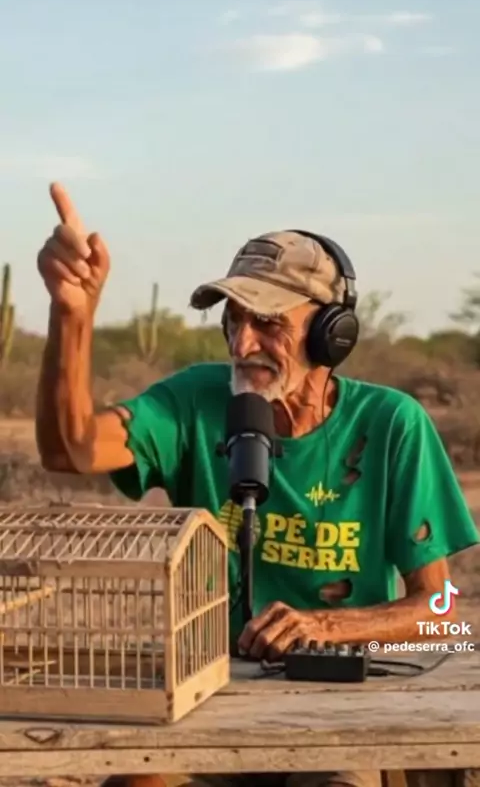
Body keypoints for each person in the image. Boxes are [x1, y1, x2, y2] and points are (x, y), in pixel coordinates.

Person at [36, 183, 479, 787]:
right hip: (212, 698)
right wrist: (72, 313)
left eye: (268, 323)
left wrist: (326, 629)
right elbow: (70, 450)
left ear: (331, 333)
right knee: (137, 780)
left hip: (344, 711)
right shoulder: (196, 400)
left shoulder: (391, 424)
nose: (244, 345)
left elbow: (441, 614)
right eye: (234, 320)